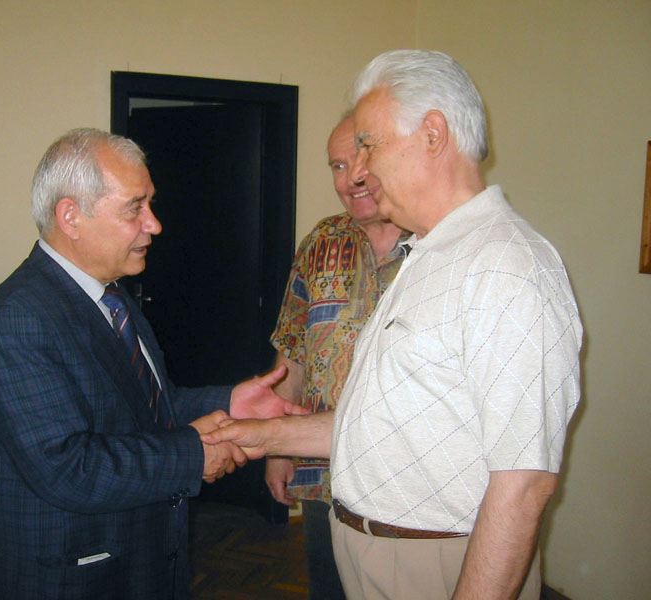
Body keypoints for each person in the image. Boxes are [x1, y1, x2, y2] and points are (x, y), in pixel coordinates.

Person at [204, 50, 583, 600]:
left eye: (368, 145)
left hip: (436, 562)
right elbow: (377, 427)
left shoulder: (506, 266)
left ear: (433, 134)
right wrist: (258, 437)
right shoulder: (427, 254)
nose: (358, 171)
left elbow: (523, 485)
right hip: (368, 550)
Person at [0, 128, 305, 600]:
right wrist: (195, 454)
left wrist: (229, 401)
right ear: (71, 216)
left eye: (150, 204)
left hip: (141, 560)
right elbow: (67, 468)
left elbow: (145, 409)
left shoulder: (112, 298)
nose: (154, 224)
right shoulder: (16, 320)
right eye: (134, 208)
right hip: (73, 579)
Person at [267, 114, 407, 599]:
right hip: (323, 473)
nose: (351, 179)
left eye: (361, 161)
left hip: (406, 480)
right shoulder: (321, 241)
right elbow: (292, 350)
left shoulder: (435, 247)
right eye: (337, 166)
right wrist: (280, 450)